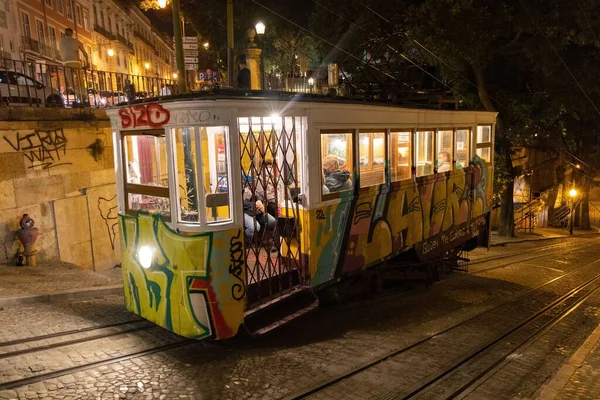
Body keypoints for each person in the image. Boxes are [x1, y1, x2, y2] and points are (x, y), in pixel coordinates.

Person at [243, 179, 276, 249]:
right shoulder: (235, 190)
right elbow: (239, 203)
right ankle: (246, 241)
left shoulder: (248, 188)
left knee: (272, 221)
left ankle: (257, 237)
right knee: (254, 227)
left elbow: (257, 195)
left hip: (255, 211)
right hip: (244, 212)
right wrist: (254, 205)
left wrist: (259, 201)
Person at [58, 28, 89, 105]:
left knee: (71, 82)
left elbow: (60, 52)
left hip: (65, 63)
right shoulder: (77, 41)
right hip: (75, 63)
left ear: (65, 34)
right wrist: (87, 63)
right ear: (72, 34)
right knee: (80, 81)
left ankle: (79, 97)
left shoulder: (60, 41)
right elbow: (85, 54)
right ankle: (83, 97)